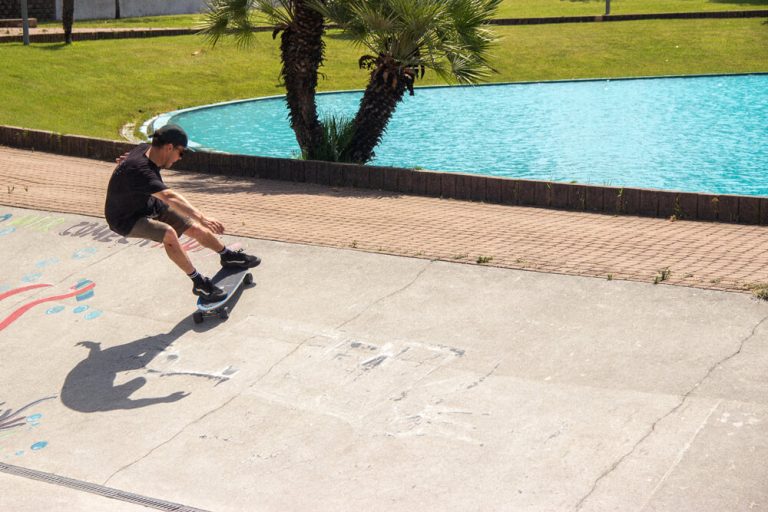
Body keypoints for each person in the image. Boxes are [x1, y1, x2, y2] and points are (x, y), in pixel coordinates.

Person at [104, 124, 260, 301]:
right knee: (169, 234)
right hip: (125, 218)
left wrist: (125, 163)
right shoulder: (140, 169)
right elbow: (169, 197)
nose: (180, 158)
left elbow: (131, 161)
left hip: (146, 203)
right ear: (169, 147)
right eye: (181, 153)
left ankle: (227, 256)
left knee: (193, 227)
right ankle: (199, 283)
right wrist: (202, 217)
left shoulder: (144, 150)